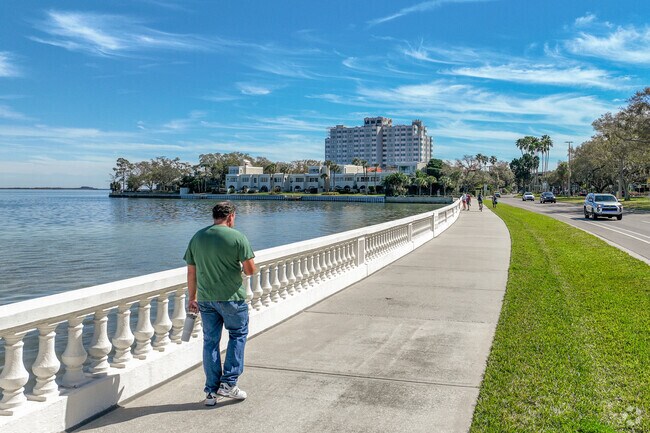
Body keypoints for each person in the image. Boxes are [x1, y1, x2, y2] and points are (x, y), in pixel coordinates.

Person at [184, 201, 256, 406]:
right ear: (231, 216)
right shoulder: (238, 237)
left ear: (214, 216)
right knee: (238, 335)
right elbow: (250, 270)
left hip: (205, 299)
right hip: (231, 298)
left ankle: (211, 392)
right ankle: (229, 383)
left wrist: (192, 298)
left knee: (210, 342)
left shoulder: (198, 237)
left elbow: (191, 272)